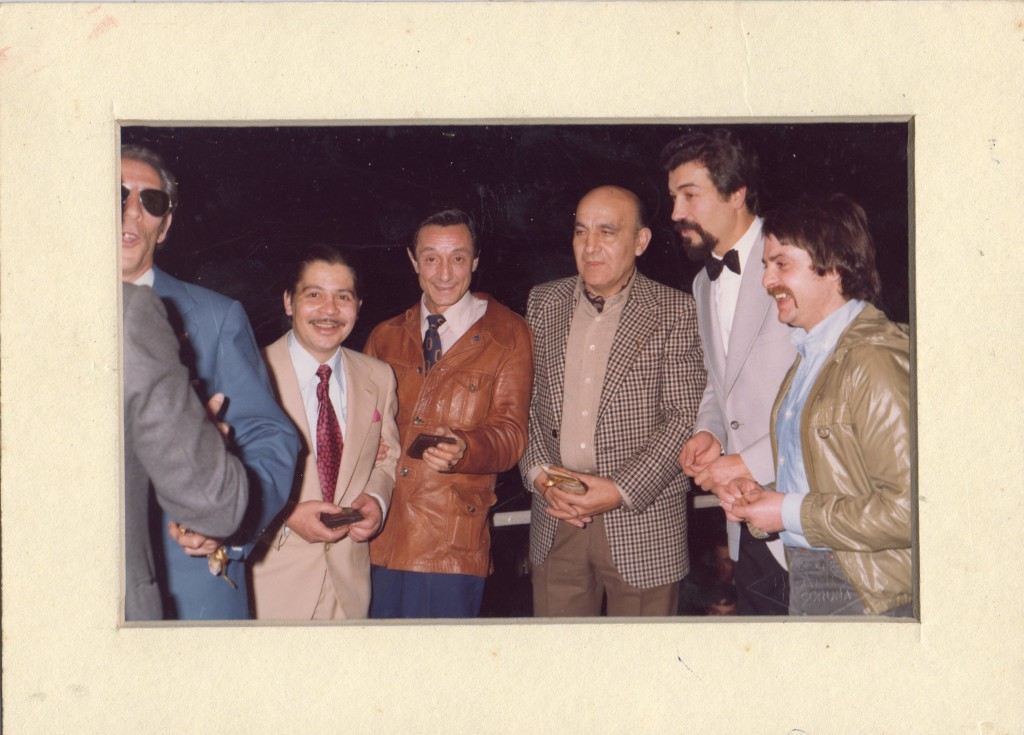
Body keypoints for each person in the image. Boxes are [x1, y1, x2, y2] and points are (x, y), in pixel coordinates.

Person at [120, 144, 299, 619]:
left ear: (167, 224)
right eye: (114, 194)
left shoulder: (215, 319)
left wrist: (229, 521)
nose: (131, 211)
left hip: (186, 586)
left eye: (150, 200)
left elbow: (270, 435)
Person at [519, 185, 705, 617]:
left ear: (640, 242)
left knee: (642, 672)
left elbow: (683, 417)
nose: (590, 247)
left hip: (644, 522)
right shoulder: (543, 302)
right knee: (561, 670)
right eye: (581, 232)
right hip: (556, 515)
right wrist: (539, 474)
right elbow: (524, 403)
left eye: (607, 232)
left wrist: (620, 490)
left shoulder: (675, 311)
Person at [726, 194, 912, 617]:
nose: (766, 280)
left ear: (833, 269)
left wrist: (787, 510)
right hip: (817, 573)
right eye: (765, 266)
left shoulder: (874, 359)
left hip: (865, 588)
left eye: (781, 264)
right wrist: (765, 497)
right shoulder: (811, 358)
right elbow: (834, 482)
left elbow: (910, 510)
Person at [363, 209, 532, 618]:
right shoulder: (383, 337)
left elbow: (512, 435)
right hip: (376, 533)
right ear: (412, 260)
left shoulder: (509, 333)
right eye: (430, 258)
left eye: (457, 257)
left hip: (450, 546)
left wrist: (467, 449)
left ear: (475, 261)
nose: (444, 273)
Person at [660, 129, 795, 615]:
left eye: (690, 195)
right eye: (673, 197)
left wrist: (748, 462)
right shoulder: (701, 282)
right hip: (742, 523)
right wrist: (708, 432)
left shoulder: (799, 259)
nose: (676, 212)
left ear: (736, 193)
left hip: (806, 517)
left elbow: (828, 392)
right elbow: (724, 384)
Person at [249, 247, 400, 619]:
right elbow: (229, 473)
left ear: (358, 306)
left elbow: (388, 455)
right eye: (314, 294)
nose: (329, 311)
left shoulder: (379, 376)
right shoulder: (250, 373)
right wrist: (285, 515)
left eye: (343, 297)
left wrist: (376, 502)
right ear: (289, 302)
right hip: (273, 586)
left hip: (349, 591)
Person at [123, 282, 249, 621]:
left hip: (198, 585)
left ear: (165, 227)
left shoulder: (220, 314)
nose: (129, 224)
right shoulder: (131, 310)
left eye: (148, 220)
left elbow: (264, 433)